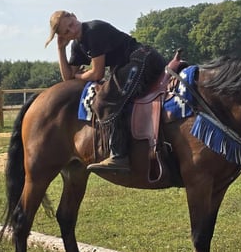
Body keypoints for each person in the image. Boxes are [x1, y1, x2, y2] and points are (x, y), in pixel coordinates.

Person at [45, 10, 166, 172]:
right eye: (66, 32)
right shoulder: (77, 45)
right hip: (126, 66)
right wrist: (61, 50)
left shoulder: (94, 31)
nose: (72, 31)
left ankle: (119, 155)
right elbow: (68, 78)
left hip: (141, 59)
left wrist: (79, 74)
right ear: (64, 37)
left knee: (105, 100)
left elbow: (97, 73)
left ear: (74, 16)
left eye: (71, 24)